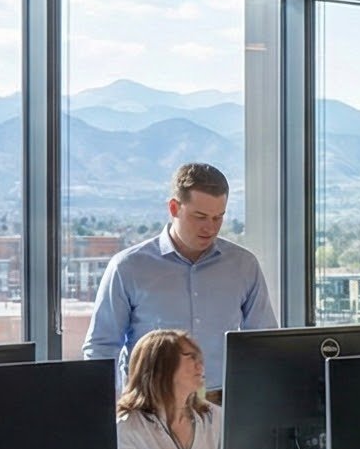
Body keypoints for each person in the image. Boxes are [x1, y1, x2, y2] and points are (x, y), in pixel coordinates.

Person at [82, 162, 277, 380]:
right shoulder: (128, 267)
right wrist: (117, 406)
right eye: (200, 216)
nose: (210, 228)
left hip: (223, 405)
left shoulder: (244, 265)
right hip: (150, 407)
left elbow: (264, 343)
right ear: (174, 208)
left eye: (218, 217)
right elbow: (102, 347)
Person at [107, 329, 252, 449]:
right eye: (190, 357)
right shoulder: (126, 425)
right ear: (160, 368)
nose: (200, 365)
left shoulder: (214, 416)